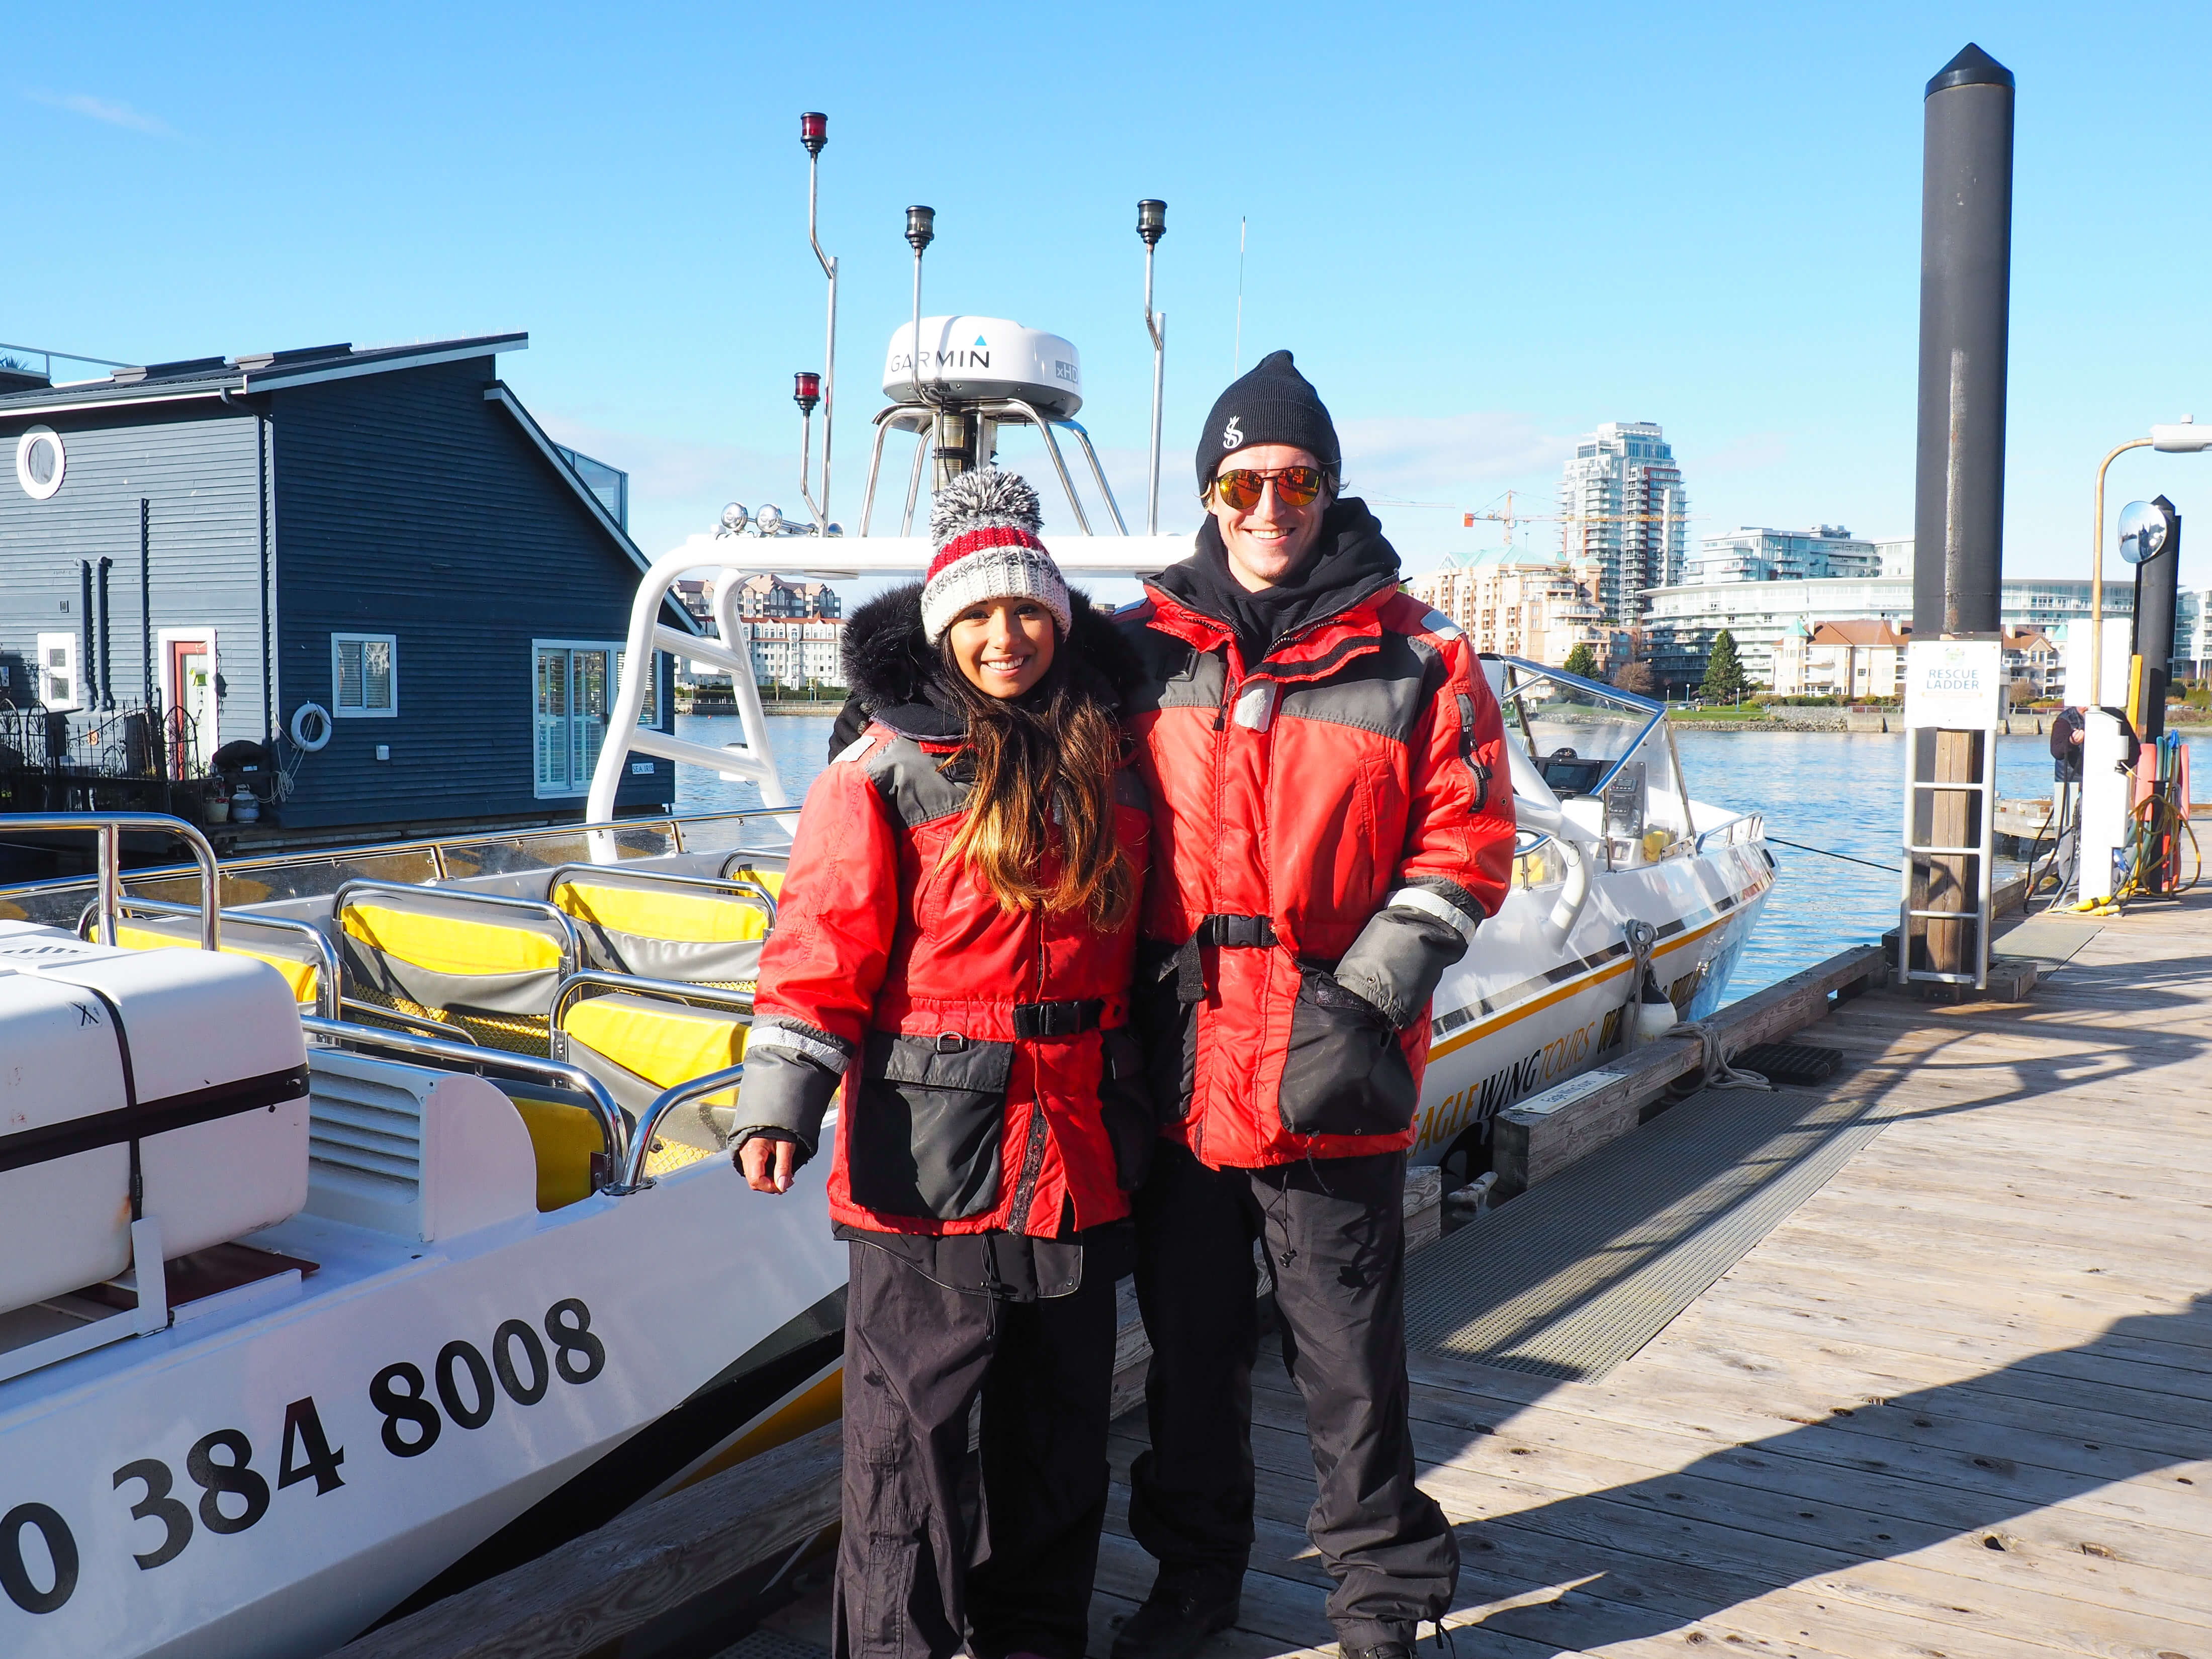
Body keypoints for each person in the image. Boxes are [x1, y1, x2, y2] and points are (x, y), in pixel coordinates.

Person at [1112, 351, 1517, 1659]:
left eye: (1294, 477)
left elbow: (1467, 845)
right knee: (1187, 1357)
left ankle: (1384, 1600)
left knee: (1349, 1363)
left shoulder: (1422, 654)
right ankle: (1195, 1581)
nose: (1267, 501)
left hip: (1330, 1069)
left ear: (1329, 486)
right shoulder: (1135, 650)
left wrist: (1356, 1003)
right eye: (1242, 478)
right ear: (1210, 491)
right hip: (1179, 1069)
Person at [732, 466, 1155, 1659]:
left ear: (1059, 619)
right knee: (908, 1450)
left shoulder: (1114, 758)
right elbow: (817, 943)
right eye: (974, 615)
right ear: (939, 628)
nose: (1002, 636)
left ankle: (1034, 1641)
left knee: (1059, 1435)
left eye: (1023, 610)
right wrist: (781, 1101)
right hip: (927, 1160)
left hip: (1077, 1151)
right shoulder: (875, 773)